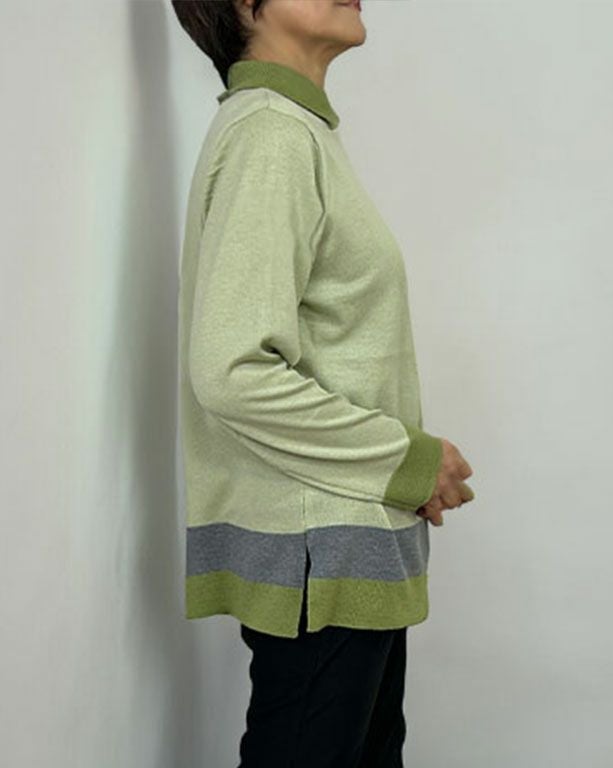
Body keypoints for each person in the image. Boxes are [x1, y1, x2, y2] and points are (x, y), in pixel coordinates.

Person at [171, 1, 475, 766]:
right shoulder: (272, 135)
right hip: (322, 545)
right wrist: (406, 460)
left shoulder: (295, 132)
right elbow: (231, 371)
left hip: (340, 540)